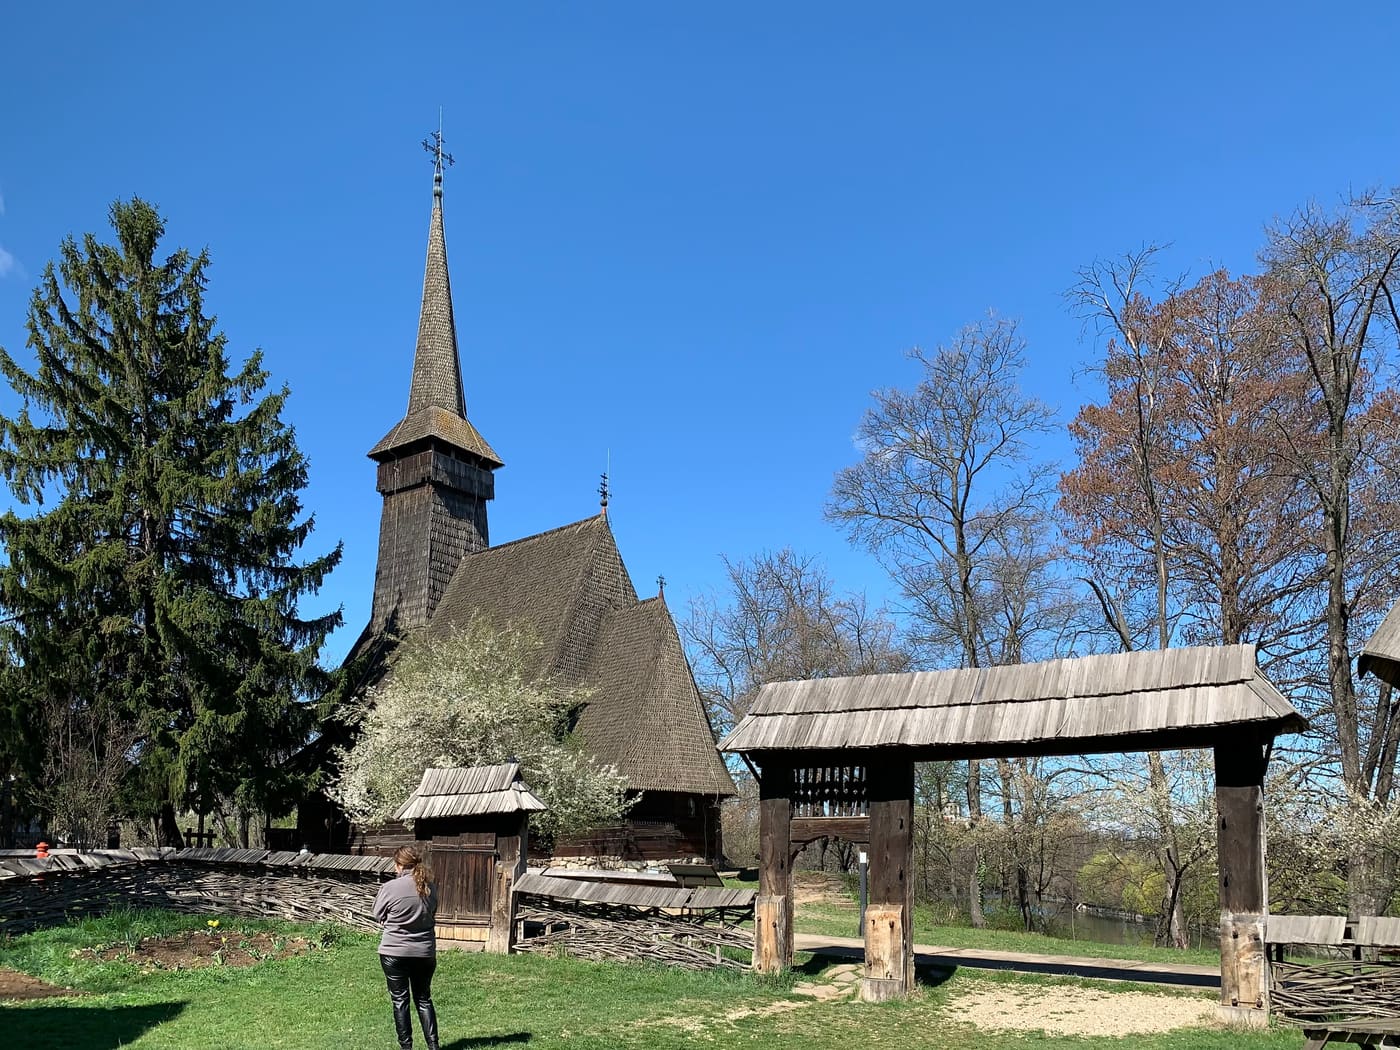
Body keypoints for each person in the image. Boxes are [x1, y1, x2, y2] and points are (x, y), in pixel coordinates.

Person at [373, 845, 439, 1050]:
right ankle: (433, 1046)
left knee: (400, 1000)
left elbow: (377, 914)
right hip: (424, 951)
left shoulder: (390, 887)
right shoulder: (430, 887)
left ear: (399, 865)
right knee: (424, 998)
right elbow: (433, 912)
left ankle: (406, 1047)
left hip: (394, 952)